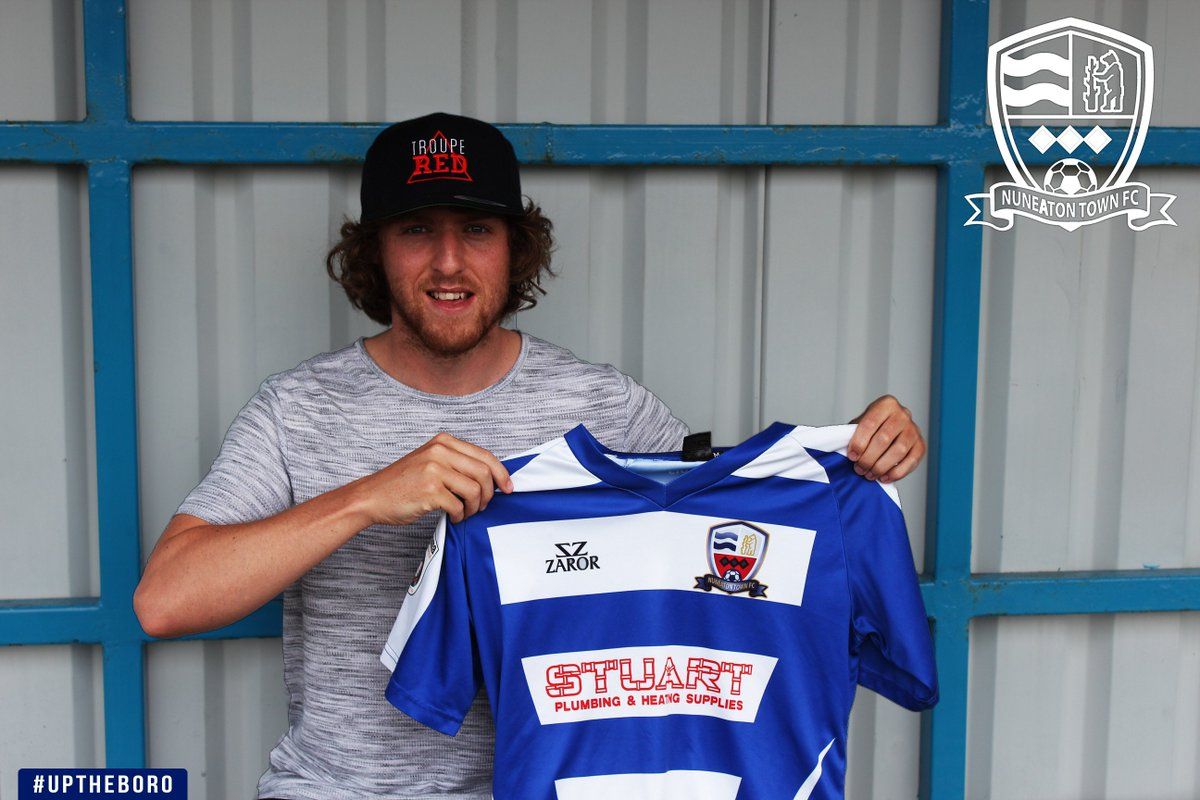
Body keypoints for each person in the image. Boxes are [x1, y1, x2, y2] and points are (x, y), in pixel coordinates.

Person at [133, 112, 927, 799]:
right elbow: (165, 601)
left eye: (477, 230)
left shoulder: (605, 407)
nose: (449, 262)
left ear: (517, 249)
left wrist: (853, 452)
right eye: (417, 230)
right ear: (376, 252)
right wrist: (366, 498)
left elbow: (723, 508)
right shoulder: (298, 409)